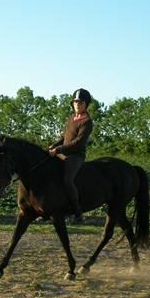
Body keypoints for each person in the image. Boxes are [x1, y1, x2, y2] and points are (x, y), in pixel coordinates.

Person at [48, 88, 94, 222]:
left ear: (86, 104)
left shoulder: (87, 122)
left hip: (76, 156)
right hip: (62, 153)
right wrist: (54, 145)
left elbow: (78, 142)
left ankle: (78, 212)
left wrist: (58, 150)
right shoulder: (71, 118)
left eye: (80, 102)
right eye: (75, 102)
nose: (77, 105)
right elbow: (64, 137)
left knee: (68, 180)